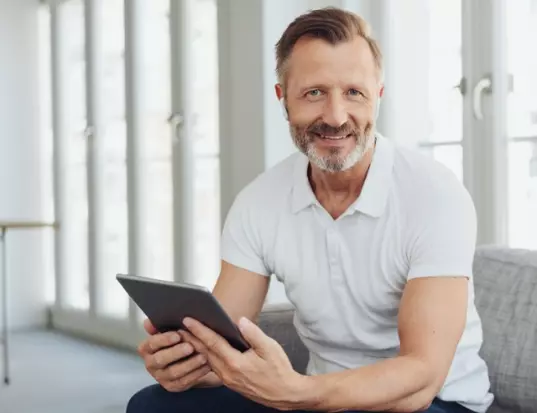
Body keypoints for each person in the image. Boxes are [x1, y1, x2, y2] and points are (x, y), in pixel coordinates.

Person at [127, 7, 493, 413]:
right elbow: (225, 347)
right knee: (153, 405)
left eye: (354, 92)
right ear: (283, 97)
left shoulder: (434, 195)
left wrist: (298, 393)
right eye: (314, 93)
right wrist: (189, 364)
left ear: (379, 96)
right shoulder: (259, 201)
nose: (336, 117)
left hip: (432, 404)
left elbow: (421, 379)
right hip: (316, 397)